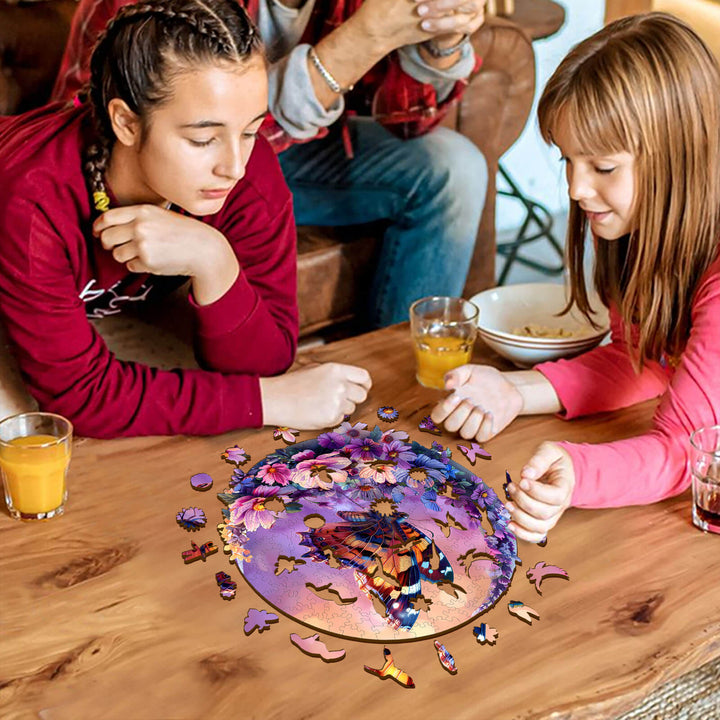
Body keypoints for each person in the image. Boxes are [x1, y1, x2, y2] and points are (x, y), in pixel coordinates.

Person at [0, 0, 371, 438]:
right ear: (126, 123)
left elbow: (268, 358)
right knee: (23, 433)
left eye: (250, 131)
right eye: (203, 139)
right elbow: (82, 398)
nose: (234, 165)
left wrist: (214, 260)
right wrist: (271, 400)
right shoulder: (33, 199)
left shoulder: (247, 170)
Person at [431, 12, 720, 542]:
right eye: (568, 160)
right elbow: (644, 357)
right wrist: (515, 391)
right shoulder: (642, 230)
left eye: (603, 167)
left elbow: (689, 448)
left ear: (682, 158)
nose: (574, 189)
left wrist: (579, 472)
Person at [51, 0, 489, 328]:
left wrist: (440, 41)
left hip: (287, 148)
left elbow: (411, 123)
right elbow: (106, 135)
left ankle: (402, 375)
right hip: (152, 164)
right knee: (226, 149)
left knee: (454, 167)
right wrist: (362, 39)